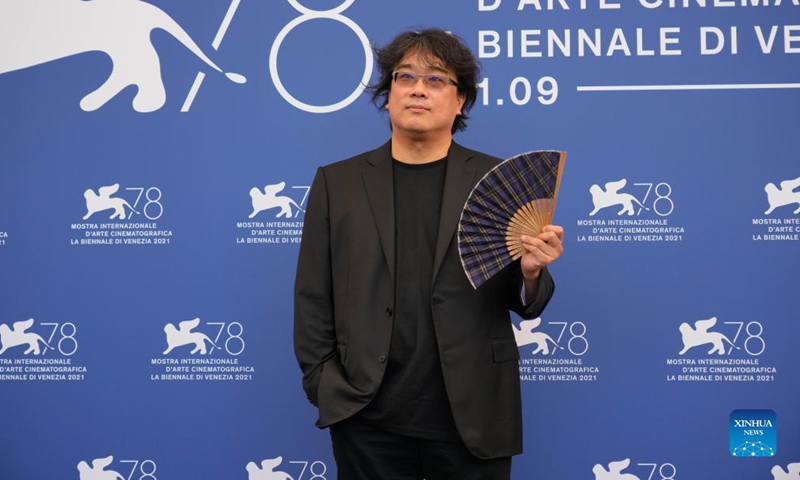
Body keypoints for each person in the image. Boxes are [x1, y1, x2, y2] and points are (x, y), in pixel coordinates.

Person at [294, 28, 564, 480]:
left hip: (473, 414)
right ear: (388, 96)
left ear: (461, 102)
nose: (418, 88)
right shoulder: (336, 183)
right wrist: (325, 386)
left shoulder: (497, 181)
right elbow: (312, 296)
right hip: (367, 417)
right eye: (405, 77)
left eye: (436, 79)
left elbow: (524, 300)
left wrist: (531, 273)